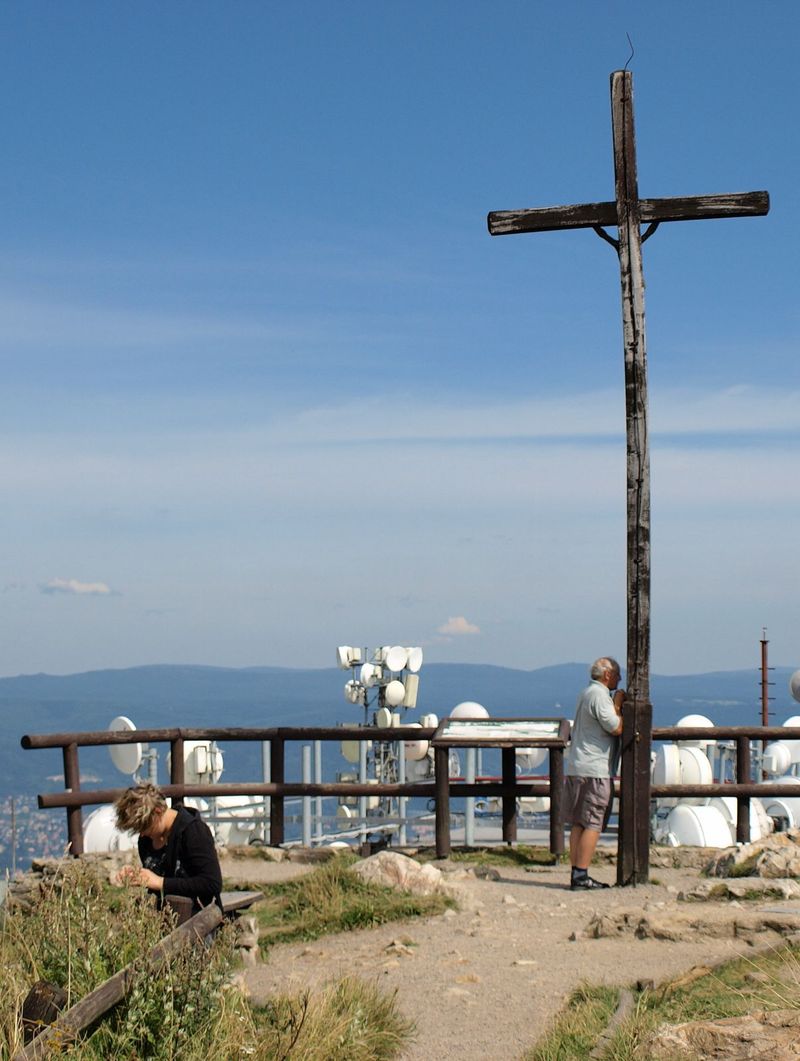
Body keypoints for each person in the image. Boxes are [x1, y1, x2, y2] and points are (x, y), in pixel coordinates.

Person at [114, 782, 222, 913]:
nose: (142, 833)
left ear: (158, 812)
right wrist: (138, 876)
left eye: (144, 827)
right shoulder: (146, 840)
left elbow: (212, 883)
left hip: (199, 918)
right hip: (164, 918)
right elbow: (154, 882)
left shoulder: (194, 831)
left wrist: (161, 883)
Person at [564, 657, 625, 890]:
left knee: (579, 823)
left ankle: (576, 872)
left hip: (577, 766)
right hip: (594, 769)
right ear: (607, 675)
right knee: (593, 823)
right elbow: (616, 727)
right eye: (617, 675)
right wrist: (618, 704)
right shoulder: (600, 696)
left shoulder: (585, 693)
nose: (619, 680)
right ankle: (581, 875)